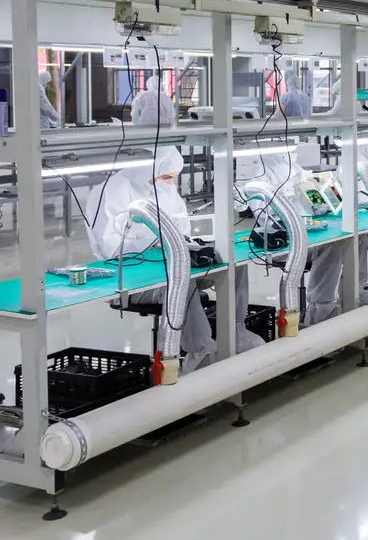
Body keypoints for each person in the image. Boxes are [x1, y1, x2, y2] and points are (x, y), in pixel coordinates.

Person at [86, 147, 263, 372]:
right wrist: (156, 241)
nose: (169, 183)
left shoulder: (164, 189)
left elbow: (183, 227)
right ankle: (201, 351)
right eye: (165, 177)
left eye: (172, 178)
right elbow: (113, 248)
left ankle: (235, 332)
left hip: (175, 264)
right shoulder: (112, 192)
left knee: (234, 266)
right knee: (181, 281)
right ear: (146, 169)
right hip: (133, 281)